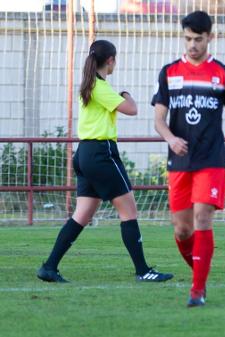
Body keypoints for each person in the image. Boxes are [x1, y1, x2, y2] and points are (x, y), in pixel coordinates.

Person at [36, 40, 174, 283]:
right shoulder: (99, 87)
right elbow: (132, 109)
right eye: (115, 59)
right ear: (110, 60)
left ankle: (49, 267)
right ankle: (143, 271)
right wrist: (125, 94)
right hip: (101, 153)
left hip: (85, 154)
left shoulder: (89, 85)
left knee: (82, 214)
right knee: (129, 209)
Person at [152, 11, 225, 307]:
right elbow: (158, 119)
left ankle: (197, 290)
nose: (192, 44)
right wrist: (170, 138)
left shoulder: (222, 74)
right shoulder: (169, 72)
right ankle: (200, 270)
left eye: (198, 39)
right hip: (179, 162)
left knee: (202, 218)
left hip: (211, 159)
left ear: (210, 38)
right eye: (188, 38)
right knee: (182, 229)